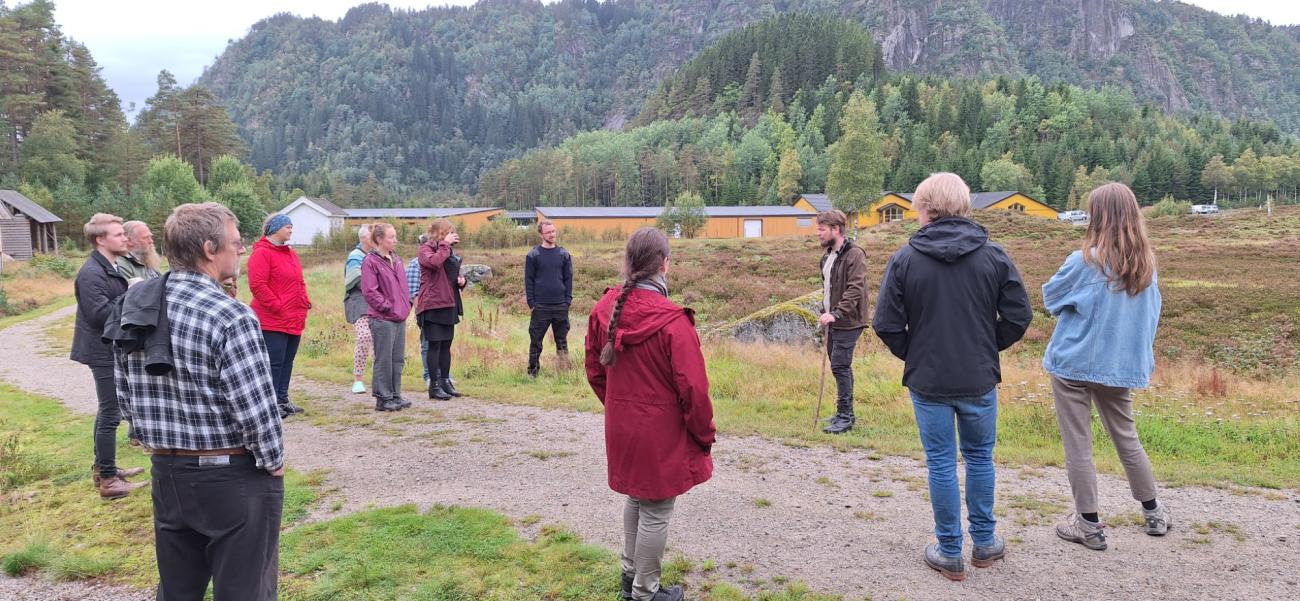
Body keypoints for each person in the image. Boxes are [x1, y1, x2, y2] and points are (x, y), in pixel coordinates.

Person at [114, 202, 284, 600]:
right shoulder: (231, 316)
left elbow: (123, 391)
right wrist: (273, 461)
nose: (241, 249)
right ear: (210, 249)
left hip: (167, 472)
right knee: (245, 591)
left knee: (177, 590)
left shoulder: (137, 307)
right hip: (231, 475)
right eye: (236, 242)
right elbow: (255, 410)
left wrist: (146, 435)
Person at [872, 173, 1032, 581]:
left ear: (925, 208)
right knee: (979, 457)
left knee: (941, 462)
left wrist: (917, 354)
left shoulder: (905, 259)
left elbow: (886, 324)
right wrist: (985, 347)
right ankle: (985, 543)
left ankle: (948, 551)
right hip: (978, 376)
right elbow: (1019, 316)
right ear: (963, 205)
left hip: (929, 381)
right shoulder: (993, 255)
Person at [585, 227, 715, 601]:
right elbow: (695, 391)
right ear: (664, 264)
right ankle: (645, 591)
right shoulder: (674, 322)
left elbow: (594, 370)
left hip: (622, 426)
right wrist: (703, 434)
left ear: (629, 262)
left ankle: (631, 577)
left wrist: (619, 406)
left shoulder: (604, 308)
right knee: (655, 509)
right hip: (658, 432)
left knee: (637, 498)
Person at [1043, 182, 1170, 551]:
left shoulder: (1084, 261)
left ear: (1096, 217)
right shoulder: (1147, 266)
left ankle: (1088, 525)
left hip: (1073, 365)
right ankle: (1154, 513)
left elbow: (1051, 298)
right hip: (1119, 366)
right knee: (1127, 438)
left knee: (1078, 444)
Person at [71, 213, 146, 499]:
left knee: (107, 411)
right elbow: (99, 315)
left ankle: (104, 468)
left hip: (108, 346)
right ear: (100, 240)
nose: (125, 238)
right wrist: (130, 293)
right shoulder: (91, 273)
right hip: (100, 349)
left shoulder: (109, 266)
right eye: (118, 235)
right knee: (111, 413)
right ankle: (108, 481)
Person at [247, 214, 312, 419]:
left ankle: (282, 399)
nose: (291, 230)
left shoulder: (290, 253)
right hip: (272, 319)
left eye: (291, 226)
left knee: (287, 360)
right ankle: (271, 402)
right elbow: (258, 285)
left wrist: (304, 300)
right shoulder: (262, 253)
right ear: (274, 228)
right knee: (274, 362)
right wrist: (277, 305)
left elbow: (299, 281)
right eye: (287, 226)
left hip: (294, 316)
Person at [814, 209, 870, 434]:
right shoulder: (827, 257)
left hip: (849, 321)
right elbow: (828, 290)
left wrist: (836, 313)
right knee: (838, 366)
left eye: (822, 229)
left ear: (836, 229)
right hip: (832, 321)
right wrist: (825, 312)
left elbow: (855, 289)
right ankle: (842, 413)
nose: (818, 233)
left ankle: (846, 417)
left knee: (840, 366)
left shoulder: (855, 255)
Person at [361, 223, 412, 411]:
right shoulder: (370, 261)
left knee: (397, 358)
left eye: (395, 236)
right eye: (391, 237)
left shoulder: (396, 259)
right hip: (382, 318)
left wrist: (406, 305)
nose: (395, 240)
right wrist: (387, 307)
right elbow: (370, 291)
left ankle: (395, 394)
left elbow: (403, 287)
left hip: (399, 316)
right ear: (379, 239)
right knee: (384, 359)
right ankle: (383, 398)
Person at [416, 219, 467, 400]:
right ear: (440, 233)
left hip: (449, 302)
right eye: (449, 231)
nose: (453, 235)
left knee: (446, 345)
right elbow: (435, 263)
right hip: (433, 304)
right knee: (434, 345)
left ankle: (445, 382)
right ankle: (434, 385)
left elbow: (449, 273)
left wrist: (461, 281)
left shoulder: (447, 249)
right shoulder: (425, 250)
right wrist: (445, 244)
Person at [525, 219, 573, 378]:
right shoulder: (533, 255)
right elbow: (528, 280)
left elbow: (568, 279)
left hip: (561, 306)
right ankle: (533, 373)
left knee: (562, 341)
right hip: (540, 307)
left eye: (553, 231)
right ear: (541, 235)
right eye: (548, 232)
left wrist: (567, 301)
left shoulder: (564, 254)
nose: (552, 234)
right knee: (536, 341)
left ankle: (563, 373)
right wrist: (531, 303)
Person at [344, 224, 373, 394]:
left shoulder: (378, 255)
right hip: (359, 301)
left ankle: (380, 378)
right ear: (363, 238)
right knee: (364, 336)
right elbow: (356, 280)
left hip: (377, 303)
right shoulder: (355, 256)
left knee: (380, 340)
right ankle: (358, 379)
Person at [407, 234, 430, 384]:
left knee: (441, 344)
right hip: (424, 311)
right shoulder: (415, 264)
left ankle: (444, 375)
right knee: (427, 343)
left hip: (439, 311)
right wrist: (420, 311)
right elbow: (412, 292)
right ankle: (428, 375)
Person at [117, 220, 162, 286]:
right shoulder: (121, 265)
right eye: (146, 237)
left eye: (150, 237)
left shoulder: (147, 260)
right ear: (129, 241)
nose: (151, 241)